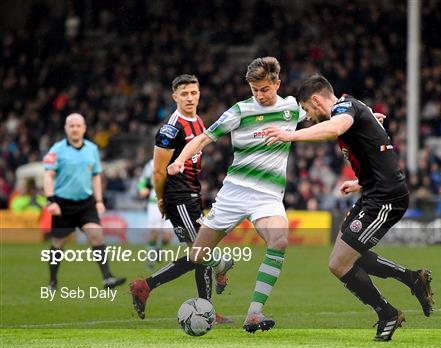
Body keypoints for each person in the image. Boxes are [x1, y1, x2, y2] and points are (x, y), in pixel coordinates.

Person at [165, 58, 386, 333]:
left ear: (277, 84)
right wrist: (180, 161)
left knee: (279, 240)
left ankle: (254, 314)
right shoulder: (239, 111)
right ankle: (223, 264)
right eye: (255, 90)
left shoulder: (291, 108)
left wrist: (366, 121)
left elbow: (329, 116)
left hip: (267, 197)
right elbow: (203, 139)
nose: (259, 95)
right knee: (197, 255)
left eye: (265, 89)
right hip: (234, 193)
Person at [264, 75, 434, 341]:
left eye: (307, 110)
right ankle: (411, 279)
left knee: (339, 263)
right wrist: (360, 182)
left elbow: (335, 128)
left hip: (386, 198)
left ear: (317, 100)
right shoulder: (354, 106)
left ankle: (387, 312)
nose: (308, 117)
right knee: (345, 257)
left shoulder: (344, 111)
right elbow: (373, 148)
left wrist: (289, 135)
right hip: (373, 193)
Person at [129, 75, 231, 324]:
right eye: (184, 93)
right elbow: (158, 170)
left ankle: (203, 306)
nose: (189, 97)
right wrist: (162, 199)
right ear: (174, 96)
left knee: (199, 255)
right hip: (179, 198)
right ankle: (147, 285)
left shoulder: (198, 121)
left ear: (199, 94)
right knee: (202, 252)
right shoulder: (170, 129)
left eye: (193, 93)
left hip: (193, 196)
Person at [43, 113, 125, 290]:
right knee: (58, 243)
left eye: (78, 125)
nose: (74, 128)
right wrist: (51, 201)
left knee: (96, 235)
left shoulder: (92, 149)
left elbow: (96, 176)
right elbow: (48, 175)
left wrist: (99, 200)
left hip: (85, 203)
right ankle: (52, 281)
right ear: (66, 128)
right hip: (62, 204)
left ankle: (107, 278)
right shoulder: (56, 149)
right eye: (71, 125)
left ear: (84, 128)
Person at [137, 159, 173, 270]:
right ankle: (150, 258)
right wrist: (142, 188)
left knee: (167, 236)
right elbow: (143, 180)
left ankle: (159, 248)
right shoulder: (152, 163)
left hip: (172, 202)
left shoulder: (178, 160)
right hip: (155, 201)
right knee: (154, 232)